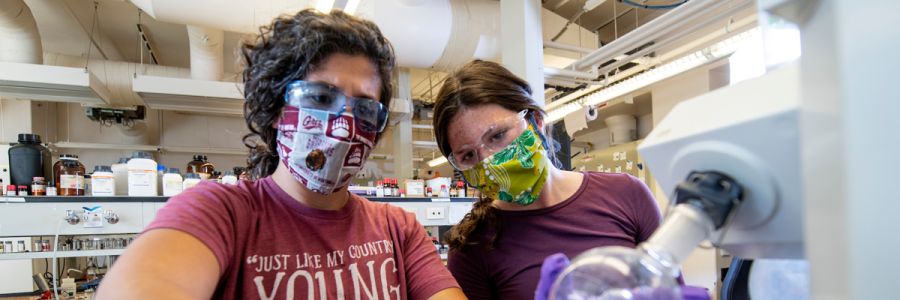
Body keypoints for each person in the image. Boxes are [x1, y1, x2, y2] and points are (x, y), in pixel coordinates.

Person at [97, 10, 465, 299]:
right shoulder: (221, 213)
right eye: (320, 97)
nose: (344, 125)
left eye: (365, 109)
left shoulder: (398, 230)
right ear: (276, 108)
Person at [431, 60, 663, 299]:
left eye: (498, 135)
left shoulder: (627, 194)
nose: (489, 161)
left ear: (536, 120)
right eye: (468, 155)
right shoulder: (473, 247)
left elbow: (669, 286)